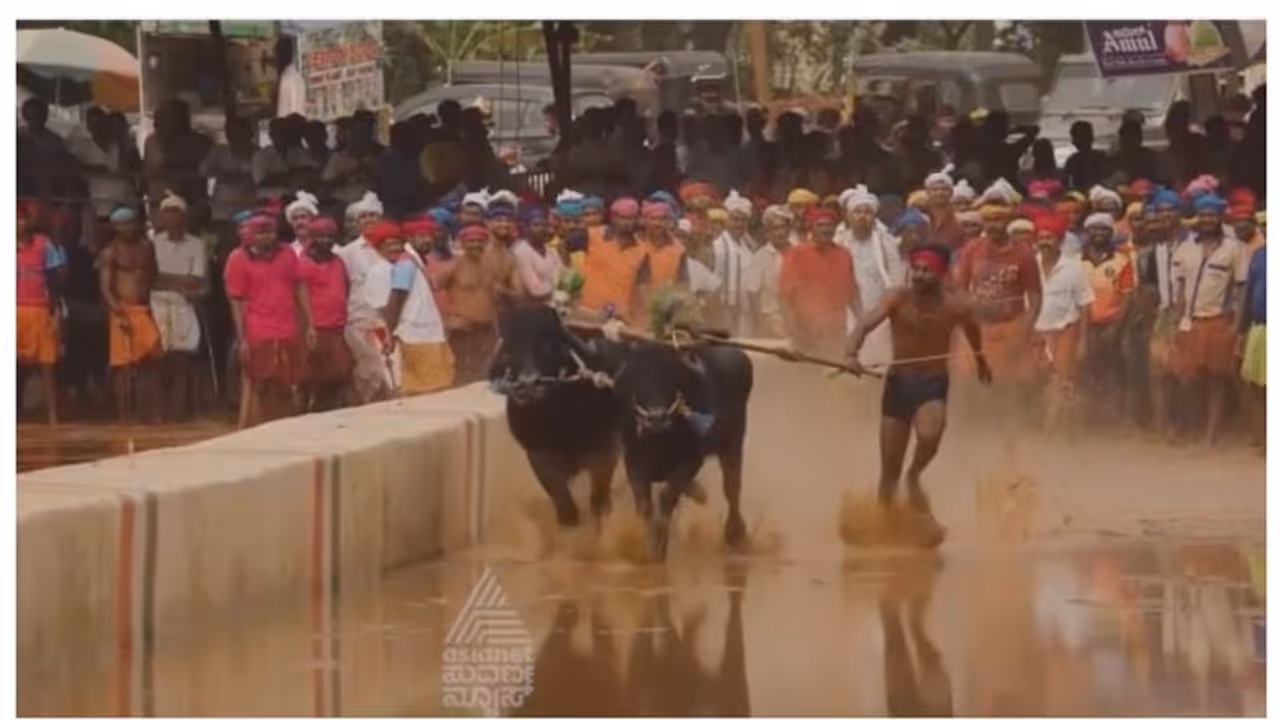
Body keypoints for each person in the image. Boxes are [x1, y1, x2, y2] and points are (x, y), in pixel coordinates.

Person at [845, 244, 990, 541]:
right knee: (889, 469)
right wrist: (851, 353)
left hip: (932, 383)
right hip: (898, 383)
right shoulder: (897, 298)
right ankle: (882, 523)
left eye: (927, 271)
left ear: (940, 274)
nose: (920, 276)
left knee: (929, 435)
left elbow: (972, 330)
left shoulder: (955, 303)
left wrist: (980, 359)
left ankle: (915, 476)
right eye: (917, 270)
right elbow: (864, 325)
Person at [223, 213, 317, 427]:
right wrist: (243, 338)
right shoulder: (237, 258)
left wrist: (310, 323)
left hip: (287, 326)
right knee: (258, 382)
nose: (266, 237)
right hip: (257, 328)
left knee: (287, 381)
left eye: (270, 232)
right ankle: (252, 426)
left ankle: (283, 426)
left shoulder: (287, 253)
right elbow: (236, 300)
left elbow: (299, 285)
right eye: (261, 233)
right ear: (251, 235)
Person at [1171, 193, 1248, 446]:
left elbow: (1240, 289)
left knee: (1216, 379)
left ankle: (1211, 435)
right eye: (1203, 215)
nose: (1206, 220)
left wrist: (1236, 325)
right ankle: (1194, 428)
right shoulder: (1185, 247)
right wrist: (1177, 319)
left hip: (1218, 320)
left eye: (1211, 215)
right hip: (1189, 321)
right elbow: (1180, 288)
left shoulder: (1233, 249)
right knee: (1189, 378)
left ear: (1219, 218)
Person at [953, 201, 1042, 414]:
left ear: (1008, 222)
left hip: (1010, 327)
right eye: (989, 220)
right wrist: (968, 310)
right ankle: (972, 428)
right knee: (968, 381)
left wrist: (1024, 330)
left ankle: (1008, 430)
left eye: (999, 220)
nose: (994, 225)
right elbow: (959, 288)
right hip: (977, 328)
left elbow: (1036, 297)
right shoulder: (972, 249)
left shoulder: (1023, 254)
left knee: (1007, 386)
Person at [366, 221, 456, 396]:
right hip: (413, 336)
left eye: (396, 243)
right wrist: (389, 336)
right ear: (378, 248)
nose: (393, 247)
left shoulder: (406, 262)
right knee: (419, 389)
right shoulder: (391, 268)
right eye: (387, 244)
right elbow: (392, 305)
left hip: (422, 335)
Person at [99, 205, 163, 422]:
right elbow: (106, 289)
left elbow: (153, 276)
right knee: (122, 366)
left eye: (130, 222)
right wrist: (118, 313)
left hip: (144, 309)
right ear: (114, 227)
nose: (127, 227)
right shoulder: (110, 252)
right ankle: (124, 416)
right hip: (122, 310)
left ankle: (152, 413)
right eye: (122, 224)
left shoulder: (147, 247)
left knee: (151, 359)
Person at [149, 192, 209, 420]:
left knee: (181, 358)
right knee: (158, 357)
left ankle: (178, 411)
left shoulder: (196, 244)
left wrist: (166, 279)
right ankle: (158, 412)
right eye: (168, 214)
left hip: (185, 303)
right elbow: (151, 278)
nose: (172, 219)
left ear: (185, 217)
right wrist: (179, 280)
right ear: (162, 217)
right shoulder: (153, 243)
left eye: (177, 213)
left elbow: (195, 280)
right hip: (157, 302)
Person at [1032, 214, 1093, 431]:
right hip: (1037, 333)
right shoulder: (1030, 265)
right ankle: (1063, 428)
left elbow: (1085, 304)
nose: (1045, 242)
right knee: (1040, 383)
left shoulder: (1074, 267)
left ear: (1059, 240)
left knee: (1060, 381)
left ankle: (1049, 434)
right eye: (1041, 238)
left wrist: (1082, 341)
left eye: (1049, 238)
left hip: (1065, 332)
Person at [440, 224, 522, 384]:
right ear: (463, 243)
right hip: (462, 331)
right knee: (462, 376)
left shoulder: (493, 265)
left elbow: (518, 294)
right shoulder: (455, 264)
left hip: (487, 330)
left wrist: (503, 291)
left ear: (486, 243)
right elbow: (434, 289)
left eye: (480, 241)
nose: (476, 245)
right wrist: (449, 318)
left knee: (486, 375)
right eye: (471, 241)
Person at [836, 186, 903, 369]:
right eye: (857, 211)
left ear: (874, 216)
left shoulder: (884, 240)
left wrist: (893, 303)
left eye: (867, 212)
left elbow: (896, 276)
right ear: (849, 216)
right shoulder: (840, 241)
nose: (862, 216)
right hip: (850, 307)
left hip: (880, 305)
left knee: (880, 352)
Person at [779, 207, 858, 357]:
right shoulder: (797, 254)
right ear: (811, 228)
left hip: (836, 332)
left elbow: (853, 294)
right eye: (820, 225)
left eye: (829, 225)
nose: (825, 230)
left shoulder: (844, 255)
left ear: (835, 228)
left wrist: (860, 326)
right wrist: (794, 332)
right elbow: (784, 297)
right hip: (805, 333)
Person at [337, 192, 392, 405]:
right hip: (359, 320)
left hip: (388, 320)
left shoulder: (393, 248)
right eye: (363, 217)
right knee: (367, 372)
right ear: (357, 223)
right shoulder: (347, 253)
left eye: (373, 215)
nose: (368, 220)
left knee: (391, 371)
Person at [1079, 212, 1134, 422]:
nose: (1098, 233)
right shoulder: (1075, 261)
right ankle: (1088, 419)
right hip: (1084, 327)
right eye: (1094, 229)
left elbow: (1128, 296)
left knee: (1116, 373)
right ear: (1087, 233)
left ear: (1110, 233)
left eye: (1103, 229)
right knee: (1086, 373)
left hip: (1113, 326)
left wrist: (1116, 328)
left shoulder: (1122, 261)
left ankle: (1118, 420)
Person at [16, 200, 66, 425]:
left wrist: (55, 314)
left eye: (21, 218)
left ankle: (53, 418)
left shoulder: (44, 244)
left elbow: (56, 280)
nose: (18, 223)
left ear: (28, 221)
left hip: (39, 309)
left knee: (47, 366)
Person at [297, 216, 352, 412]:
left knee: (339, 373)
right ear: (312, 237)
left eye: (330, 236)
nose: (326, 241)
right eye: (321, 237)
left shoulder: (338, 261)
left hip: (337, 326)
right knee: (310, 377)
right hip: (315, 328)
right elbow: (299, 296)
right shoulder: (303, 263)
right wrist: (308, 325)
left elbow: (346, 287)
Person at [578, 197, 650, 323]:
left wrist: (647, 312)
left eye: (631, 218)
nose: (627, 222)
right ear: (613, 218)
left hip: (618, 316)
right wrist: (566, 270)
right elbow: (564, 246)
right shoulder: (592, 235)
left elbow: (642, 282)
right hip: (587, 313)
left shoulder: (642, 249)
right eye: (622, 218)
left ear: (637, 219)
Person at [712, 191, 756, 335]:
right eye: (735, 219)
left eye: (743, 220)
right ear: (727, 221)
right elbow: (714, 282)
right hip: (726, 311)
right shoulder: (718, 246)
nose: (739, 224)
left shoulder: (749, 246)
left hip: (748, 312)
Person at [747, 205, 793, 339]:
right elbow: (752, 293)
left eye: (783, 227)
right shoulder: (761, 256)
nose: (780, 232)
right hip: (771, 318)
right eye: (775, 228)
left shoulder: (798, 252)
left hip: (797, 320)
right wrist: (761, 322)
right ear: (767, 232)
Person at [1237, 244, 1265, 449]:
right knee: (1255, 385)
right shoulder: (1258, 256)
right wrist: (1241, 331)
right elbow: (1248, 294)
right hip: (1258, 327)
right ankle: (1262, 437)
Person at [512, 205, 564, 303]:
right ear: (526, 228)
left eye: (544, 225)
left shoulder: (551, 251)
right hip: (532, 309)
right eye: (536, 225)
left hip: (556, 305)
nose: (542, 229)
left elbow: (564, 276)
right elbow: (535, 290)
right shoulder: (520, 252)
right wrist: (559, 286)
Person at [1063, 121, 1110, 191]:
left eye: (1076, 137)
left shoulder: (1073, 160)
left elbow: (1066, 184)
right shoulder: (1102, 156)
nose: (1073, 141)